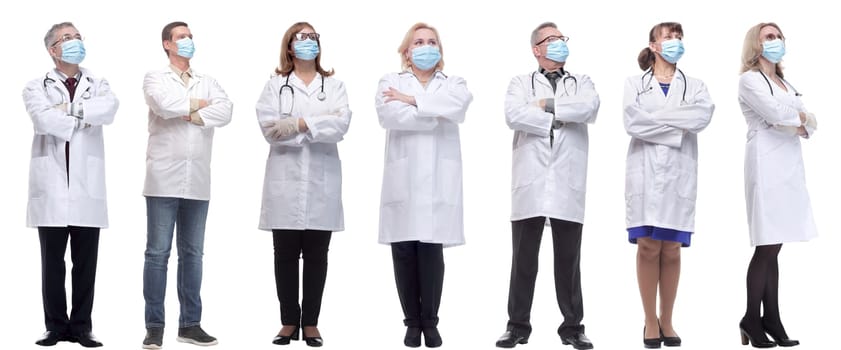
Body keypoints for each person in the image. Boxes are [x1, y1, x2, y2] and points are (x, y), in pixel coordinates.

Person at [496, 22, 599, 350]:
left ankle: (573, 327)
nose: (559, 44)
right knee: (523, 259)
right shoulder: (520, 82)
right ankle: (517, 326)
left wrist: (544, 107)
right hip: (532, 183)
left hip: (567, 182)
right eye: (551, 40)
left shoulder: (581, 81)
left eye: (561, 38)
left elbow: (589, 108)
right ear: (536, 49)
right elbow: (513, 115)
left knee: (569, 260)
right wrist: (561, 117)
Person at [375, 22, 472, 348]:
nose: (426, 46)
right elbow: (390, 117)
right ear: (406, 51)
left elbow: (458, 109)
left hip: (438, 181)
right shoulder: (390, 82)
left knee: (431, 251)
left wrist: (411, 100)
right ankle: (411, 322)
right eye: (419, 42)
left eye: (432, 41)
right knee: (404, 251)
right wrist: (430, 107)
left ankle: (430, 321)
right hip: (403, 179)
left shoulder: (454, 83)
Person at [255, 21, 352, 348]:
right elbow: (270, 131)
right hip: (285, 182)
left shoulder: (334, 85)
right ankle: (287, 322)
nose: (309, 42)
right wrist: (314, 128)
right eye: (302, 37)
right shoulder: (275, 86)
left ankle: (310, 323)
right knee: (283, 255)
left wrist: (297, 123)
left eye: (313, 37)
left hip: (321, 183)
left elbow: (340, 127)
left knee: (317, 256)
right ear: (290, 46)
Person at [23, 21, 119, 348]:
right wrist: (80, 117)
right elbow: (43, 119)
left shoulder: (98, 83)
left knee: (85, 264)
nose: (74, 41)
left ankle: (81, 328)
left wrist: (69, 109)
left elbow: (108, 110)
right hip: (50, 189)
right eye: (66, 38)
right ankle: (54, 327)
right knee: (51, 265)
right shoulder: (36, 86)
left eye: (77, 36)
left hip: (86, 189)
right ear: (53, 50)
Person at [141, 21, 233, 349]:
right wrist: (200, 106)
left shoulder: (208, 80)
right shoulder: (155, 78)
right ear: (167, 44)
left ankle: (190, 324)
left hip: (197, 180)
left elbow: (227, 111)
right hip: (163, 179)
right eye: (181, 37)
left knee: (193, 254)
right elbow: (164, 106)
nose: (188, 40)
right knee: (157, 254)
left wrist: (191, 111)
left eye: (190, 36)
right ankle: (154, 326)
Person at [623, 22, 714, 348]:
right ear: (653, 45)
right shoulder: (635, 83)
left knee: (672, 248)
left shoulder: (696, 86)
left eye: (679, 37)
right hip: (645, 173)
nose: (675, 42)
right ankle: (649, 320)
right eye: (668, 37)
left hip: (678, 175)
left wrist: (657, 121)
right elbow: (633, 123)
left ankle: (668, 319)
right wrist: (678, 125)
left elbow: (701, 118)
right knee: (648, 246)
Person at [737, 22, 816, 349]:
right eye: (769, 37)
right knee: (766, 244)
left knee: (777, 244)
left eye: (779, 36)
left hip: (788, 167)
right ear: (755, 44)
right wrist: (797, 118)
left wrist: (798, 119)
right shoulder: (749, 80)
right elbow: (775, 114)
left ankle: (772, 318)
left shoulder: (783, 82)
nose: (776, 41)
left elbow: (811, 121)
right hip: (766, 164)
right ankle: (751, 319)